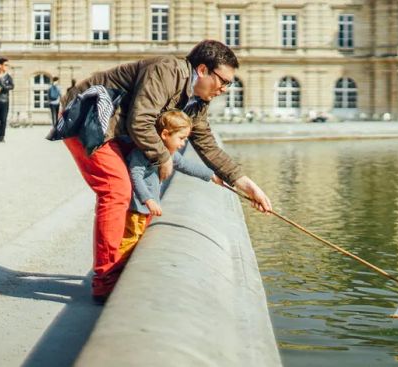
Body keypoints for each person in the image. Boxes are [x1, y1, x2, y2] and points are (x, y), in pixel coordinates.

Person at [60, 39, 272, 303]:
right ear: (203, 70)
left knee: (138, 192)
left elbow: (205, 143)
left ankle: (122, 263)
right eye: (223, 81)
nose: (224, 89)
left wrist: (247, 185)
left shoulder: (197, 100)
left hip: (117, 129)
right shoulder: (167, 70)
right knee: (116, 190)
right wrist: (164, 158)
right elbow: (141, 121)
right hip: (87, 117)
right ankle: (105, 282)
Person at [119, 110, 223, 267]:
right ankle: (116, 276)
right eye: (181, 138)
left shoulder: (168, 153)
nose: (183, 144)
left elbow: (185, 165)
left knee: (137, 241)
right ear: (165, 134)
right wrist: (149, 200)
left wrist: (211, 176)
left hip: (145, 209)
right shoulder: (144, 151)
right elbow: (135, 176)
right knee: (130, 241)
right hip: (136, 208)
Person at [0, 57, 14, 142]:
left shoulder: (8, 77)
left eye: (7, 65)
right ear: (0, 65)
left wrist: (2, 87)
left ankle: (2, 136)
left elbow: (12, 86)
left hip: (5, 101)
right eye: (5, 65)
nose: (7, 66)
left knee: (3, 120)